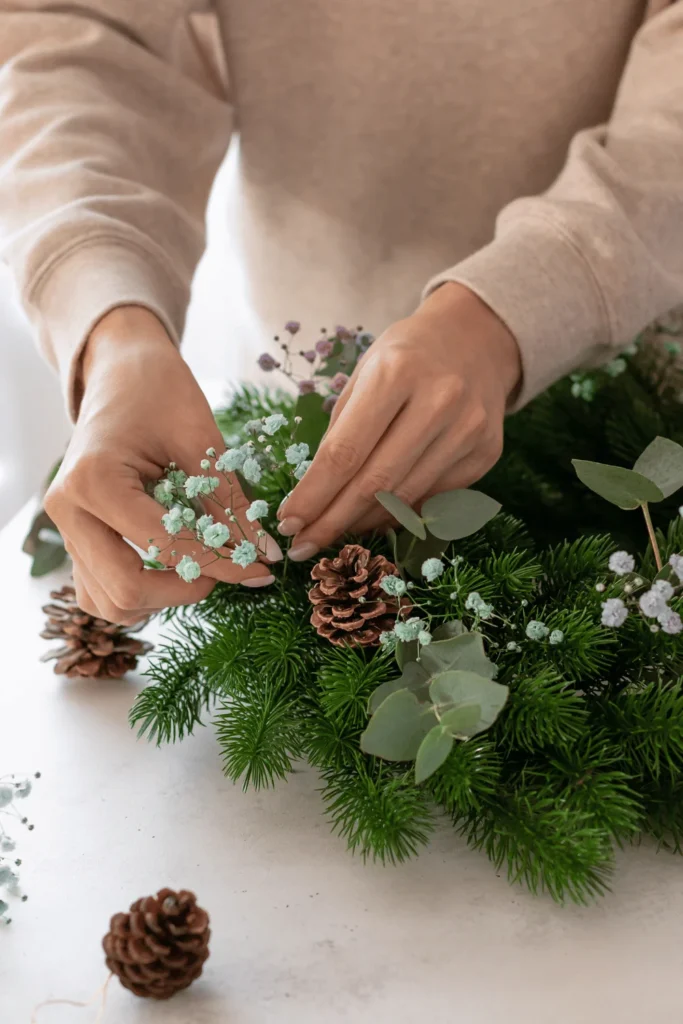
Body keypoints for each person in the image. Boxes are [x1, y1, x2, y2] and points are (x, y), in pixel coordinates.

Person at [0, 1, 681, 624]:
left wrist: (514, 308)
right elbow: (74, 37)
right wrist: (113, 331)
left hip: (643, 389)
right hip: (305, 394)